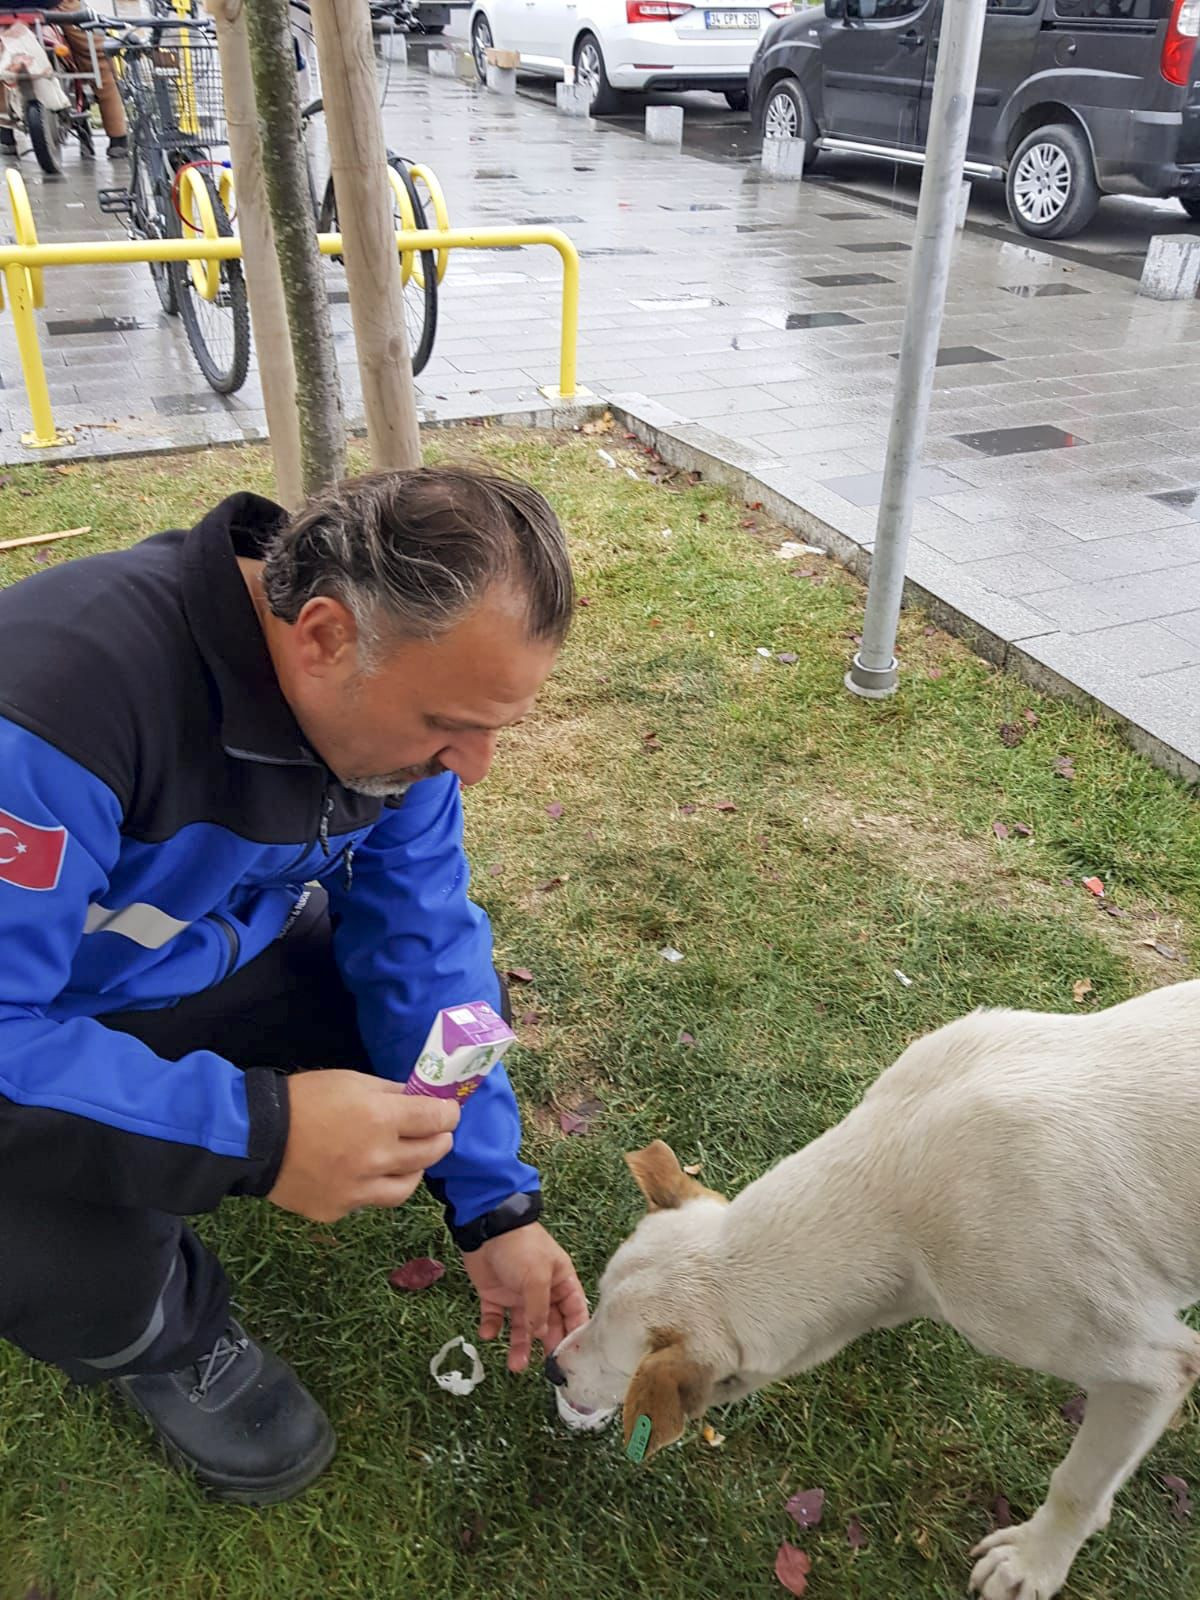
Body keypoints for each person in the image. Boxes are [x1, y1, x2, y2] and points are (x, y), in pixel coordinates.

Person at [0, 467, 588, 1504]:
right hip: (29, 1005)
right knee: (46, 1247)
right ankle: (163, 1336)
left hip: (173, 961)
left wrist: (496, 1200)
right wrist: (259, 1131)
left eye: (500, 728)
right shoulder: (51, 714)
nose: (477, 767)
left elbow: (430, 941)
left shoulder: (394, 733)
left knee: (414, 1055)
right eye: (453, 722)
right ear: (320, 635)